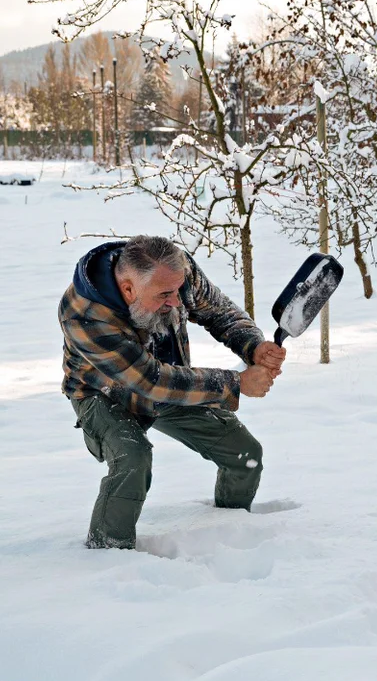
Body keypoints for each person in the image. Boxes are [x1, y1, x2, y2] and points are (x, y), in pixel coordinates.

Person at [60, 235, 287, 549]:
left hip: (174, 385)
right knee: (133, 459)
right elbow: (149, 380)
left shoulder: (175, 271)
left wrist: (253, 346)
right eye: (165, 294)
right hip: (103, 392)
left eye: (178, 290)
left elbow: (220, 313)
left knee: (244, 454)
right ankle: (107, 554)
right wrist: (236, 384)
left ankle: (231, 530)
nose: (177, 301)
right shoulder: (84, 314)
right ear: (128, 289)